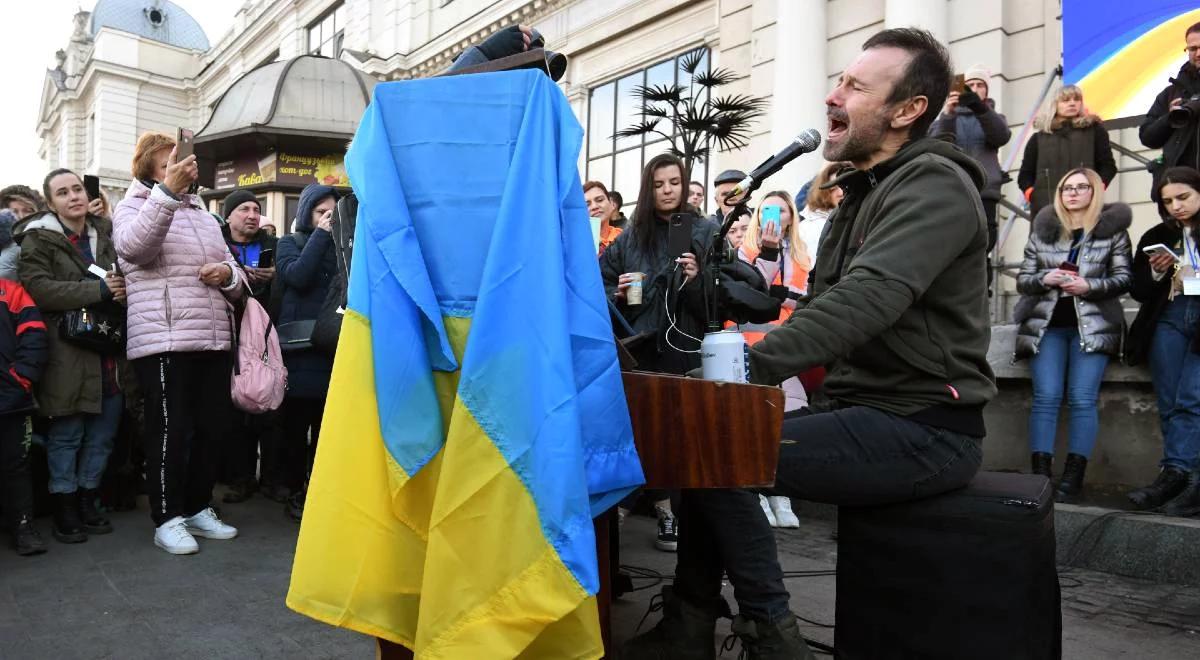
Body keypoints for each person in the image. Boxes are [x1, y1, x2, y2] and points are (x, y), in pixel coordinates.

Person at [624, 28, 995, 659]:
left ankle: (771, 635)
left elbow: (868, 301)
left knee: (717, 453)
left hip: (924, 426)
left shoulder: (933, 185)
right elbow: (823, 311)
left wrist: (748, 368)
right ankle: (691, 621)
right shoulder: (864, 190)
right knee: (705, 439)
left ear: (908, 111)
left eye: (855, 86)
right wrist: (733, 357)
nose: (833, 96)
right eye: (838, 81)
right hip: (860, 410)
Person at [113, 131, 243, 555]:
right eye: (171, 159)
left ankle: (198, 506)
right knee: (170, 430)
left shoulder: (205, 216)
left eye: (185, 159)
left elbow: (233, 270)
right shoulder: (131, 206)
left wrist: (229, 276)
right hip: (164, 338)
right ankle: (167, 517)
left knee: (211, 430)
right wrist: (167, 193)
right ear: (149, 164)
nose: (184, 165)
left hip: (212, 336)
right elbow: (135, 250)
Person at [14, 169, 126, 544]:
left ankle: (87, 498)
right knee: (67, 434)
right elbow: (38, 289)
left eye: (77, 189)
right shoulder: (39, 240)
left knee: (102, 435)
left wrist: (122, 290)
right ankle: (64, 504)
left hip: (109, 352)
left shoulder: (107, 232)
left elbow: (127, 275)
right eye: (63, 193)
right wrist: (96, 290)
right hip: (67, 352)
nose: (74, 196)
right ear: (51, 203)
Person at [601, 155, 702, 553]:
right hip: (639, 345)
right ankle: (637, 510)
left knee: (673, 435)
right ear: (648, 188)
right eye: (659, 184)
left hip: (684, 348)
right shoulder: (630, 236)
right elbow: (597, 286)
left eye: (674, 182)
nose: (667, 191)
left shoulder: (703, 231)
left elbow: (721, 295)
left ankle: (664, 513)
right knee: (639, 430)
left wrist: (697, 281)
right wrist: (617, 293)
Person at [1013, 168, 1132, 502]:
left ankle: (1072, 478)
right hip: (1046, 325)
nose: (1073, 193)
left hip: (1093, 326)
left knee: (1082, 399)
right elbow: (1023, 279)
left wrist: (1089, 285)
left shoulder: (1113, 233)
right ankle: (1040, 476)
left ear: (1094, 192)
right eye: (1067, 188)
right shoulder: (1043, 231)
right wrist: (1045, 278)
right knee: (1046, 398)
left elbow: (1125, 279)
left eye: (1081, 187)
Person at [1126, 166, 1200, 514]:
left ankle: (1184, 478)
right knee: (1170, 403)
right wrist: (1157, 269)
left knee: (1191, 399)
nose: (1176, 206)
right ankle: (1176, 477)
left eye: (1183, 197)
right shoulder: (1157, 233)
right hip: (1168, 316)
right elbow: (1138, 290)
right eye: (1168, 200)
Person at [738, 190, 812, 528]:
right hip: (751, 348)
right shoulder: (747, 250)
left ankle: (779, 492)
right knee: (753, 423)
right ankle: (757, 494)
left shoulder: (801, 254)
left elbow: (804, 300)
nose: (776, 217)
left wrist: (785, 299)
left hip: (788, 349)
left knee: (789, 419)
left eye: (783, 211)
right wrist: (768, 256)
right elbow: (752, 294)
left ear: (792, 217)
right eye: (770, 210)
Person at [274, 183, 339, 522]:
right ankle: (292, 486)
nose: (329, 216)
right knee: (295, 427)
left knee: (326, 427)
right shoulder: (290, 242)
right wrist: (322, 235)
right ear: (306, 213)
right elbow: (297, 276)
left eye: (333, 210)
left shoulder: (344, 247)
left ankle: (315, 489)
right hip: (300, 352)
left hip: (332, 347)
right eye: (320, 210)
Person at [219, 190, 279, 504]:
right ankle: (239, 478)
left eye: (257, 209)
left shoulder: (274, 246)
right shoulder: (215, 244)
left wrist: (273, 278)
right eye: (244, 208)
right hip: (226, 336)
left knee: (268, 407)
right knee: (233, 412)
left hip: (265, 338)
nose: (253, 215)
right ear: (228, 215)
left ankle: (270, 478)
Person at [929, 64, 1011, 258]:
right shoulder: (945, 118)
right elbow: (937, 146)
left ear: (987, 90)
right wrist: (948, 113)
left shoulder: (995, 117)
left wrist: (980, 108)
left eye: (979, 85)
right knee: (951, 243)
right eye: (969, 85)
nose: (974, 89)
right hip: (952, 188)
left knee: (983, 244)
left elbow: (1000, 137)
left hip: (984, 189)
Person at [0, 273, 48, 555]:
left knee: (15, 466)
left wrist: (21, 378)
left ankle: (23, 527)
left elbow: (35, 335)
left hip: (10, 399)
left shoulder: (11, 292)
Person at [1018, 84, 1118, 219]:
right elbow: (1025, 175)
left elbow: (1108, 166)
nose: (1072, 103)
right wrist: (1032, 195)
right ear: (1055, 105)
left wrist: (1096, 190)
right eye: (1066, 100)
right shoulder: (1038, 138)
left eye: (1076, 99)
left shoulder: (1095, 131)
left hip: (1085, 208)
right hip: (1046, 210)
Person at [1139, 22, 1200, 196]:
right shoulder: (1171, 92)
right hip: (1180, 192)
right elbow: (1147, 137)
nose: (1198, 54)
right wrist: (1169, 118)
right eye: (1193, 49)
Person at [796, 162, 848, 271]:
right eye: (833, 188)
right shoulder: (807, 228)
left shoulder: (867, 217)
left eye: (845, 185)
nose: (840, 192)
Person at [583, 180, 622, 255]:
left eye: (600, 200)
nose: (594, 206)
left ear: (611, 203)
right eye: (587, 204)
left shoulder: (625, 237)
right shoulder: (575, 243)